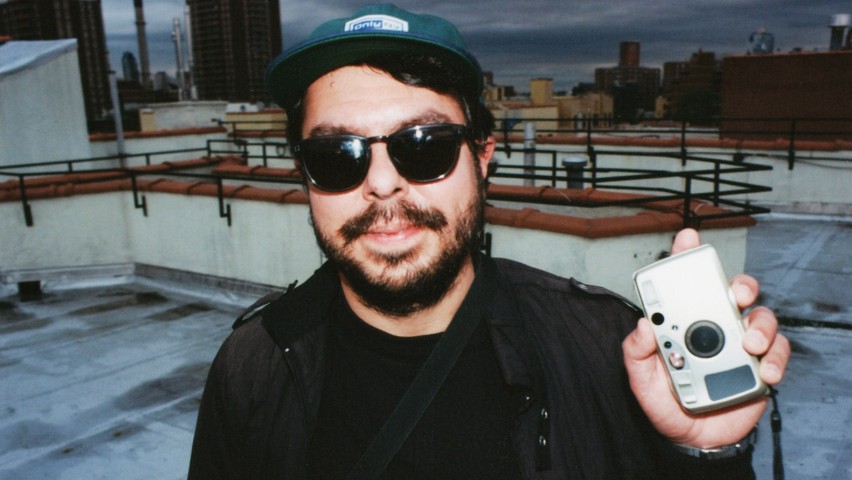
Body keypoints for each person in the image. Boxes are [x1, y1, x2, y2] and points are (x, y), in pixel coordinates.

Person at [188, 4, 790, 479]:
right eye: (335, 155)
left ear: (482, 157)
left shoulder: (606, 351)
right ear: (307, 177)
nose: (380, 184)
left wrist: (706, 457)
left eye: (423, 144)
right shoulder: (253, 367)